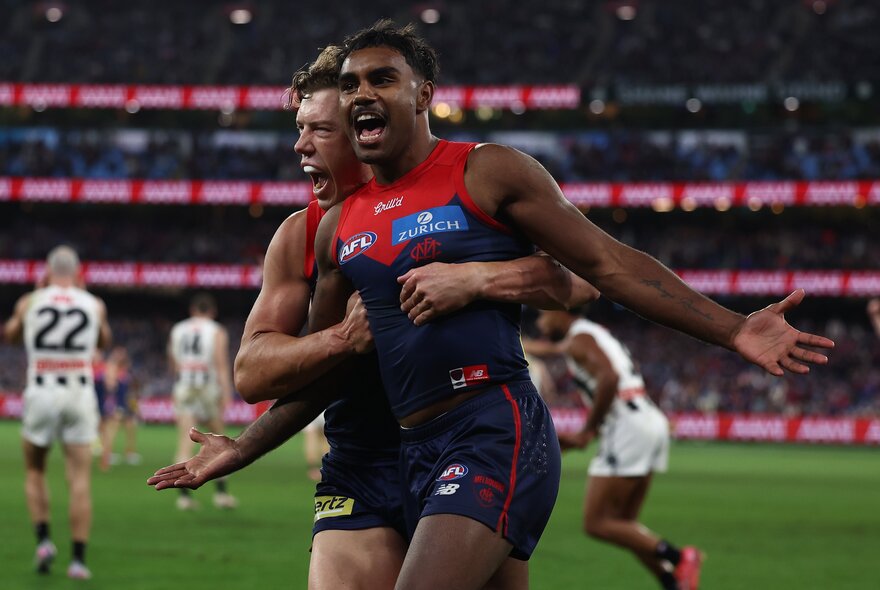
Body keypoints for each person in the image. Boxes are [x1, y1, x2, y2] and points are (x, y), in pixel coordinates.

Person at [308, 20, 834, 590]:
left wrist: (733, 329)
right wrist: (239, 451)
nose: (361, 93)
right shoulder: (341, 225)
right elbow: (323, 367)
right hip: (410, 449)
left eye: (382, 78)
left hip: (491, 430)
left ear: (424, 93)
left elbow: (604, 265)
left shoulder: (486, 171)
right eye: (350, 83)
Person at [148, 47, 595, 590]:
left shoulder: (453, 200)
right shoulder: (301, 236)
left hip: (470, 442)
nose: (300, 146)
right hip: (361, 460)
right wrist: (340, 338)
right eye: (299, 128)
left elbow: (581, 276)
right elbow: (252, 373)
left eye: (319, 130)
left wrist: (480, 278)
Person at [536, 307, 701, 590]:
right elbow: (557, 349)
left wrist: (588, 430)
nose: (540, 322)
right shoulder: (595, 334)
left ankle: (679, 557)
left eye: (542, 313)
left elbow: (609, 378)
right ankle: (673, 581)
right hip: (648, 419)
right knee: (625, 524)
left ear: (561, 310)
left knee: (596, 522)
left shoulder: (579, 340)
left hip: (627, 426)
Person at [3, 245, 111, 580]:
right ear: (79, 274)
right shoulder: (93, 304)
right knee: (79, 480)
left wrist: (32, 304)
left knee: (35, 469)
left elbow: (9, 335)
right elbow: (104, 341)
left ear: (46, 273)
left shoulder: (30, 301)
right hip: (79, 392)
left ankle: (44, 541)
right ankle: (78, 561)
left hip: (42, 390)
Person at [167, 293, 237, 510]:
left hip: (185, 385)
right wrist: (226, 391)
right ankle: (221, 494)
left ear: (192, 311)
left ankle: (184, 497)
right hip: (207, 386)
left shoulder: (178, 329)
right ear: (212, 312)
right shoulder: (216, 330)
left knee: (184, 441)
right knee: (219, 441)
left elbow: (173, 360)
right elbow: (220, 361)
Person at [96, 346, 139, 470]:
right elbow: (111, 386)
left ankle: (107, 458)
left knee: (109, 432)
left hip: (113, 405)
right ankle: (106, 458)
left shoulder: (119, 372)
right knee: (109, 432)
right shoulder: (113, 370)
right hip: (114, 405)